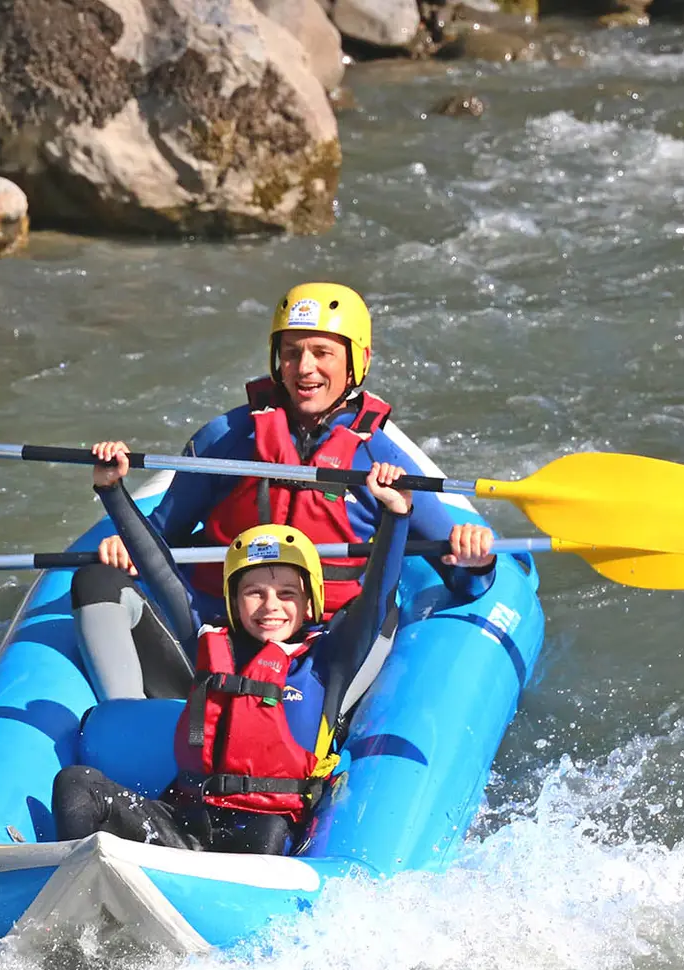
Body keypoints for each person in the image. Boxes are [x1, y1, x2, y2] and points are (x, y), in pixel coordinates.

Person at [52, 448, 497, 855]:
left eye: (287, 593)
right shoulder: (210, 641)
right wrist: (111, 488)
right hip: (182, 823)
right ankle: (76, 896)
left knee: (266, 835)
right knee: (76, 785)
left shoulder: (327, 661)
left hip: (262, 834)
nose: (270, 607)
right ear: (233, 600)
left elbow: (377, 595)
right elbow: (159, 570)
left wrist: (395, 513)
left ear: (309, 602)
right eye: (254, 593)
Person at [92, 282, 483, 627]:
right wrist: (123, 534)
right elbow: (161, 536)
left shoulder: (377, 457)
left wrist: (476, 560)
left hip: (329, 640)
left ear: (355, 363)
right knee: (95, 582)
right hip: (218, 620)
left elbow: (463, 578)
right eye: (292, 353)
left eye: (322, 352)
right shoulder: (226, 439)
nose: (304, 368)